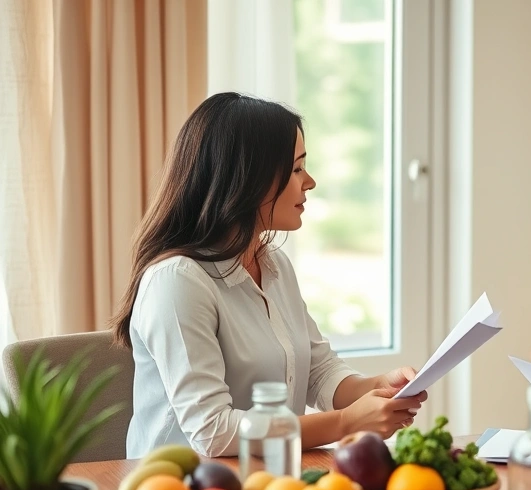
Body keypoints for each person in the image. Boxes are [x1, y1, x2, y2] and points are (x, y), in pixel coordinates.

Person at [112, 92, 426, 459]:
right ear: (248, 179)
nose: (310, 182)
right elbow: (213, 432)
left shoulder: (274, 265)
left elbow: (318, 371)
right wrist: (346, 422)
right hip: (180, 485)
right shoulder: (177, 282)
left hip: (269, 474)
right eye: (296, 169)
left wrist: (377, 387)